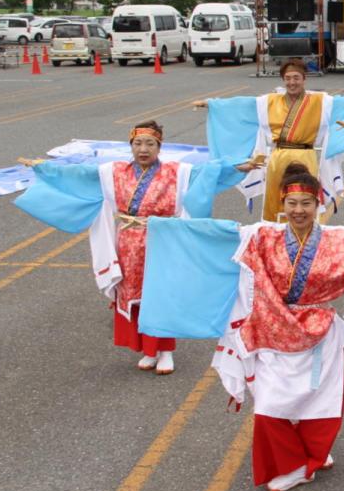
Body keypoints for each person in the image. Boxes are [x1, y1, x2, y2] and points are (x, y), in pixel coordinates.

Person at [209, 164, 344, 491]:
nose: (298, 210)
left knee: (319, 401)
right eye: (292, 203)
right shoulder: (262, 235)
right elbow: (217, 232)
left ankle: (307, 459)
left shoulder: (340, 240)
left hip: (319, 333)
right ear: (281, 204)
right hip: (274, 330)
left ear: (319, 203)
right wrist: (162, 227)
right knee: (268, 404)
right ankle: (295, 462)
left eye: (306, 203)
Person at [14, 120, 243, 375]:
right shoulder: (113, 172)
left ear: (159, 147)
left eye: (150, 144)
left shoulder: (177, 172)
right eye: (138, 143)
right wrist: (44, 167)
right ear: (131, 146)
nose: (143, 149)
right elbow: (79, 175)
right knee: (134, 294)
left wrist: (237, 167)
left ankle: (165, 351)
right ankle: (149, 350)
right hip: (128, 242)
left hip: (162, 241)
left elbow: (208, 173)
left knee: (161, 294)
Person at [193, 58, 344, 221]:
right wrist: (211, 104)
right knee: (276, 199)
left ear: (304, 79)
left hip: (305, 157)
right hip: (278, 158)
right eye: (287, 78)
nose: (292, 82)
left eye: (296, 78)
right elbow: (242, 106)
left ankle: (307, 235)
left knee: (304, 197)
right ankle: (274, 234)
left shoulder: (320, 101)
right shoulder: (269, 101)